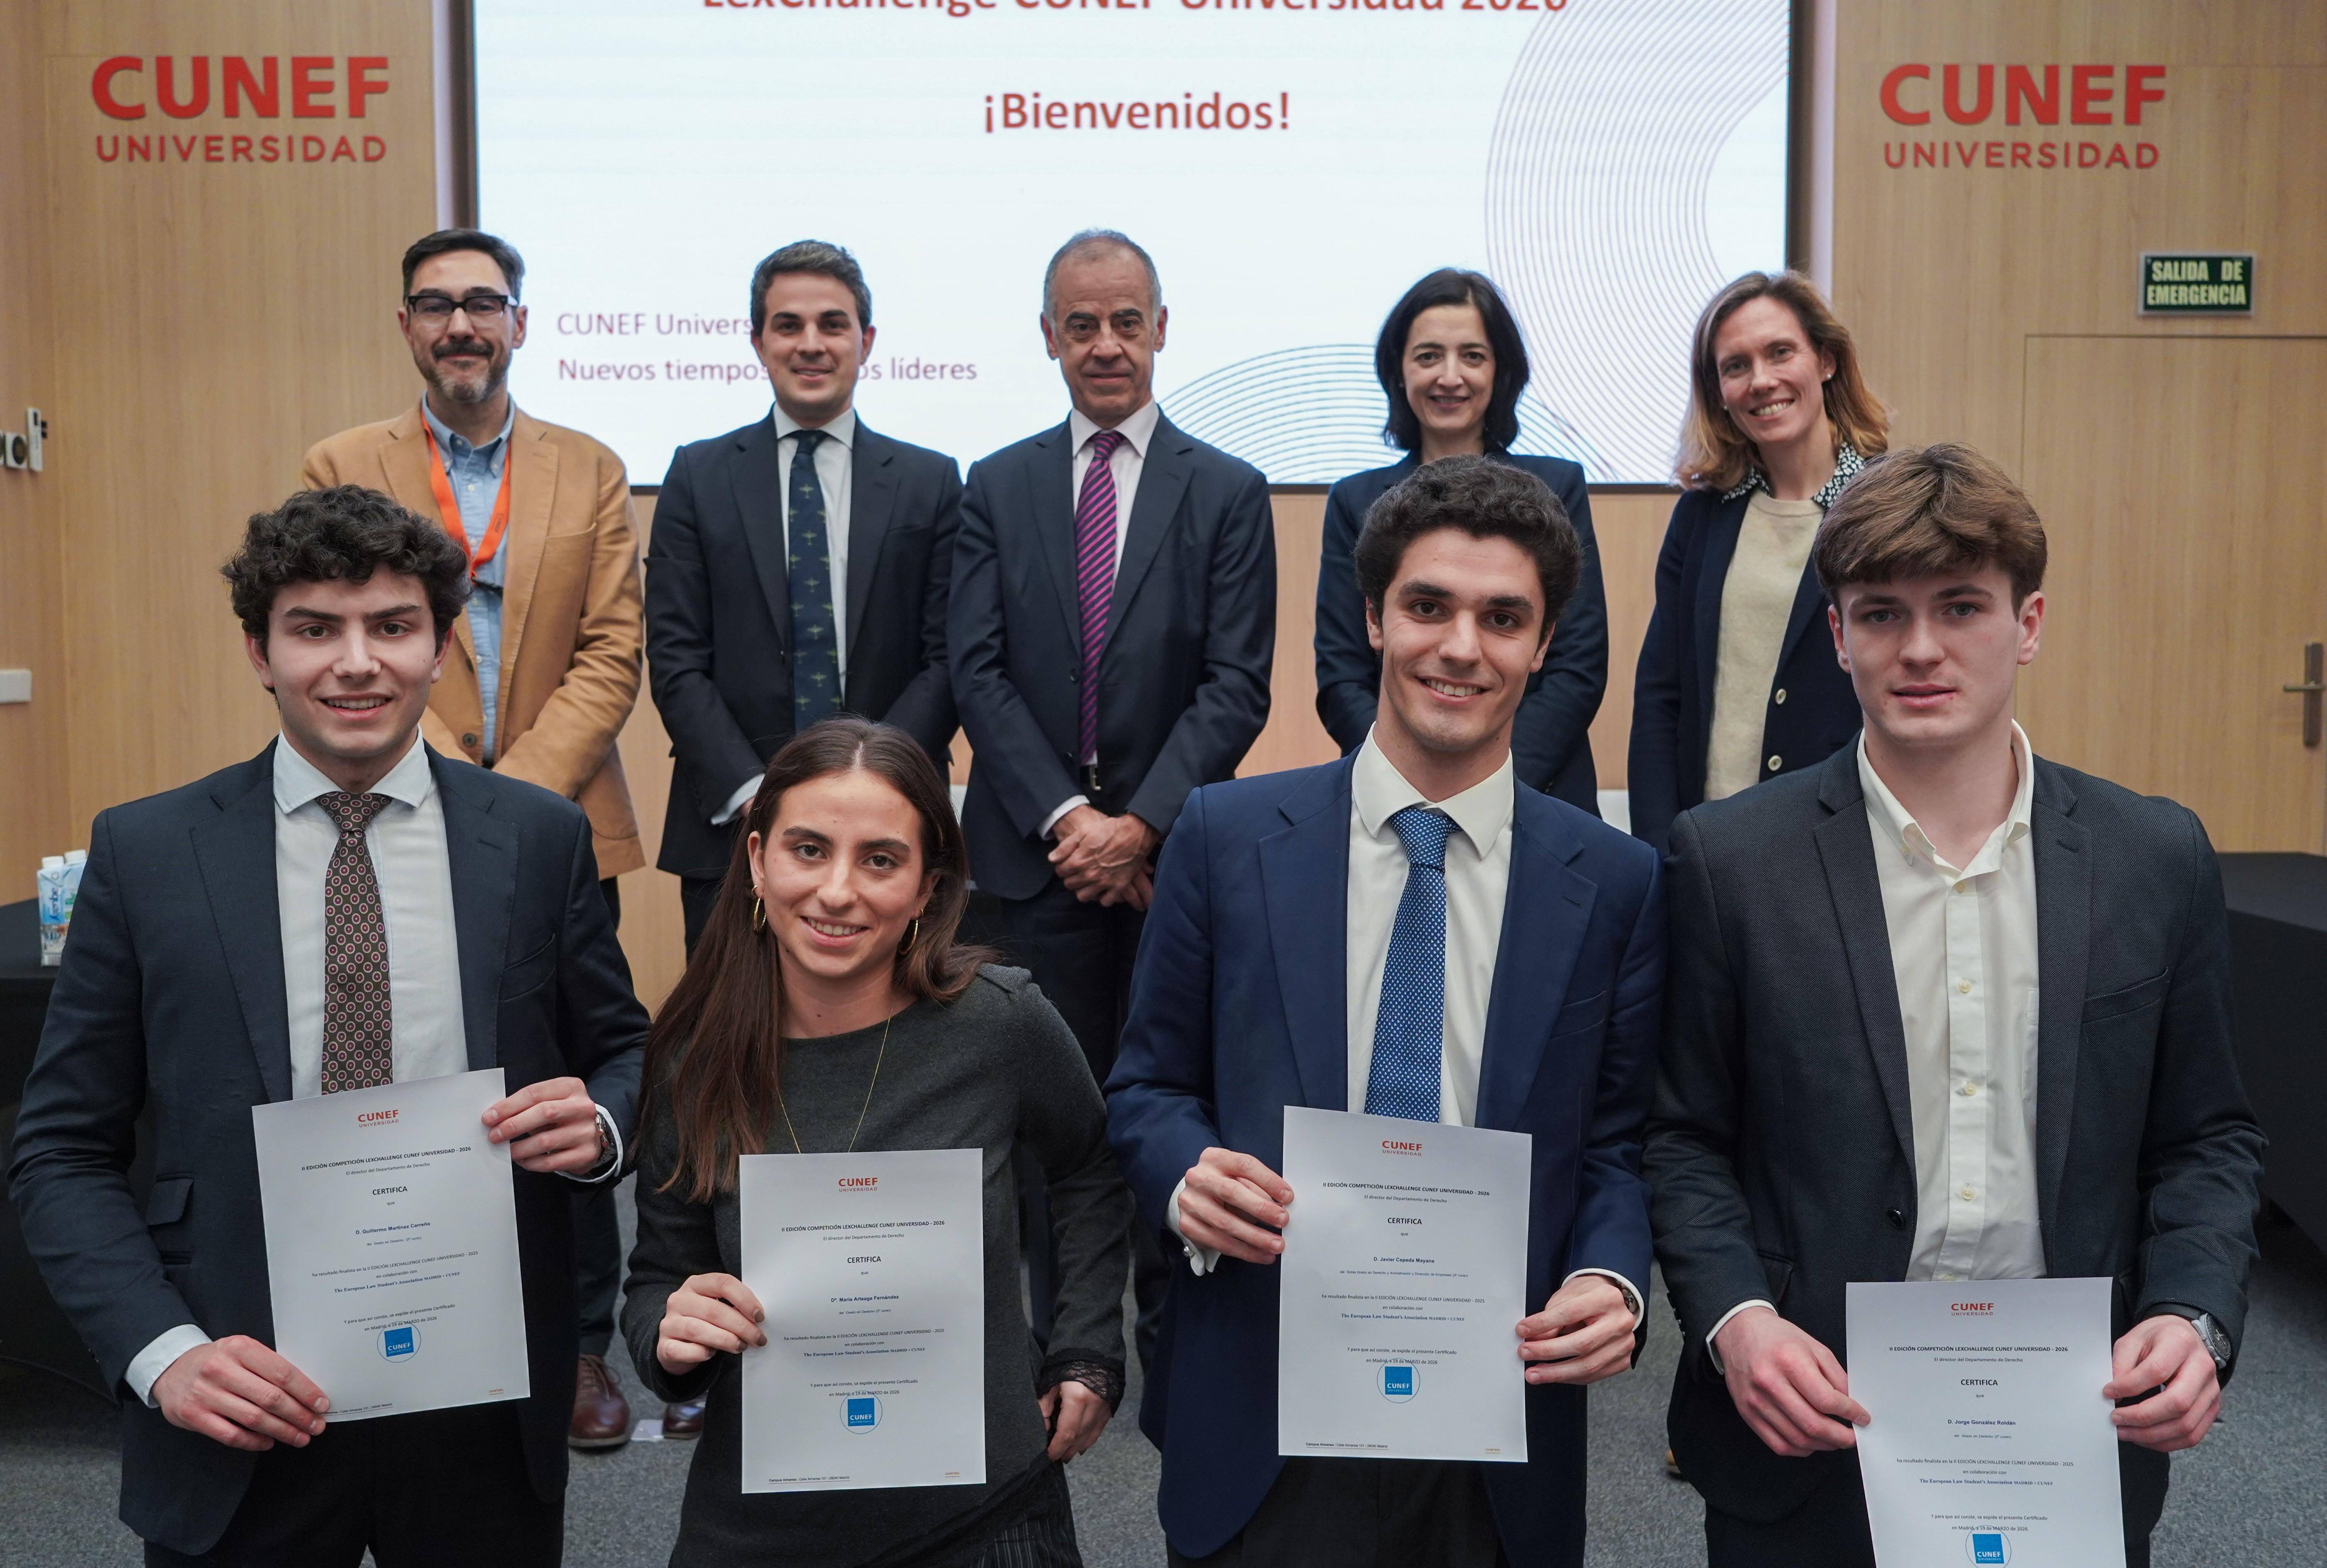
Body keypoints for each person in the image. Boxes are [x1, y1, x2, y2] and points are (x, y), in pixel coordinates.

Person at [1644, 444, 2266, 1567]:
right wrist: (1735, 1317)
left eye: (1960, 606)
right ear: (1835, 637)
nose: (1919, 648)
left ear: (2026, 621)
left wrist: (2192, 1315)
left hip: (2069, 1426)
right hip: (1805, 1417)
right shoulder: (1727, 861)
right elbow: (1683, 1136)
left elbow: (2205, 1135)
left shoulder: (2150, 856)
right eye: (1879, 612)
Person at [7, 486, 650, 1566]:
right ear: (259, 650)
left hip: (478, 1390)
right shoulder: (150, 853)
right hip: (239, 1382)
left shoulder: (537, 838)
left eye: (392, 625)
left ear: (440, 646)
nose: (357, 662)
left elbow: (626, 1052)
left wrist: (602, 1122)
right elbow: (59, 1150)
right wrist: (162, 1352)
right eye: (314, 628)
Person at [1106, 456, 1663, 1568]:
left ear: (1543, 643)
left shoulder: (1613, 878)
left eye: (1502, 616)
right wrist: (1185, 1172)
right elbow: (1146, 1085)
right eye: (1427, 605)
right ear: (1371, 617)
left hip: (1495, 1414)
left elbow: (1619, 1145)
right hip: (1262, 1399)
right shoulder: (1224, 837)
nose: (1460, 645)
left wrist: (1610, 1277)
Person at [621, 717, 1132, 1568]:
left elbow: (1089, 1166)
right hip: (763, 1519)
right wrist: (670, 1338)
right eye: (808, 849)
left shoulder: (999, 1024)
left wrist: (1085, 1348)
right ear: (755, 860)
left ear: (930, 887)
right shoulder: (690, 1059)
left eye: (880, 860)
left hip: (986, 1509)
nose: (837, 891)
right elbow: (655, 1282)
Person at [301, 226, 649, 1452]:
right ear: (406, 325)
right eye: (436, 304)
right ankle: (396, 1313)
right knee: (407, 1080)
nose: (462, 324)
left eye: (484, 303)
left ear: (519, 321)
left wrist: (523, 804)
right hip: (395, 817)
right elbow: (343, 641)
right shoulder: (343, 461)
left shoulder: (589, 465)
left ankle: (580, 1349)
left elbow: (615, 648)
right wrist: (447, 787)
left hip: (561, 839)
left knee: (572, 1094)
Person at [949, 228, 1275, 1363]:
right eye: (1079, 324)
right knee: (1037, 1116)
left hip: (1167, 866)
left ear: (1160, 328)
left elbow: (1237, 682)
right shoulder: (990, 486)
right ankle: (1061, 1341)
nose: (1103, 345)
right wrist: (1069, 820)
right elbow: (975, 672)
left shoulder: (1228, 491)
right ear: (1047, 336)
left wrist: (1136, 825)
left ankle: (1171, 1334)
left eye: (1124, 320)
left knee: (1169, 1105)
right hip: (1024, 861)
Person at [648, 239, 963, 956]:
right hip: (731, 830)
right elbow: (675, 659)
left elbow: (949, 660)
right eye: (788, 325)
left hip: (894, 835)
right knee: (734, 1047)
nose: (811, 344)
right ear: (757, 341)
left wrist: (875, 788)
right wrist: (760, 796)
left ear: (866, 340)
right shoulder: (698, 476)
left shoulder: (931, 480)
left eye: (832, 323)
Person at [1314, 267, 1606, 813]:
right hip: (1389, 802)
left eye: (1472, 356)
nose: (1449, 376)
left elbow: (1575, 667)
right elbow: (1341, 676)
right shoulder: (1353, 501)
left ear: (1500, 372)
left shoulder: (1558, 487)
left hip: (1534, 794)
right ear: (1399, 371)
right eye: (1428, 356)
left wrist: (1485, 783)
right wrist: (1411, 780)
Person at [1626, 270, 1889, 853]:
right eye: (1735, 366)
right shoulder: (1700, 517)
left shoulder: (1887, 507)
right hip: (1706, 843)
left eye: (1779, 352)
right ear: (1717, 390)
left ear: (1825, 360)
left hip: (1841, 846)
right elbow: (1660, 697)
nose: (1761, 381)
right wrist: (1654, 849)